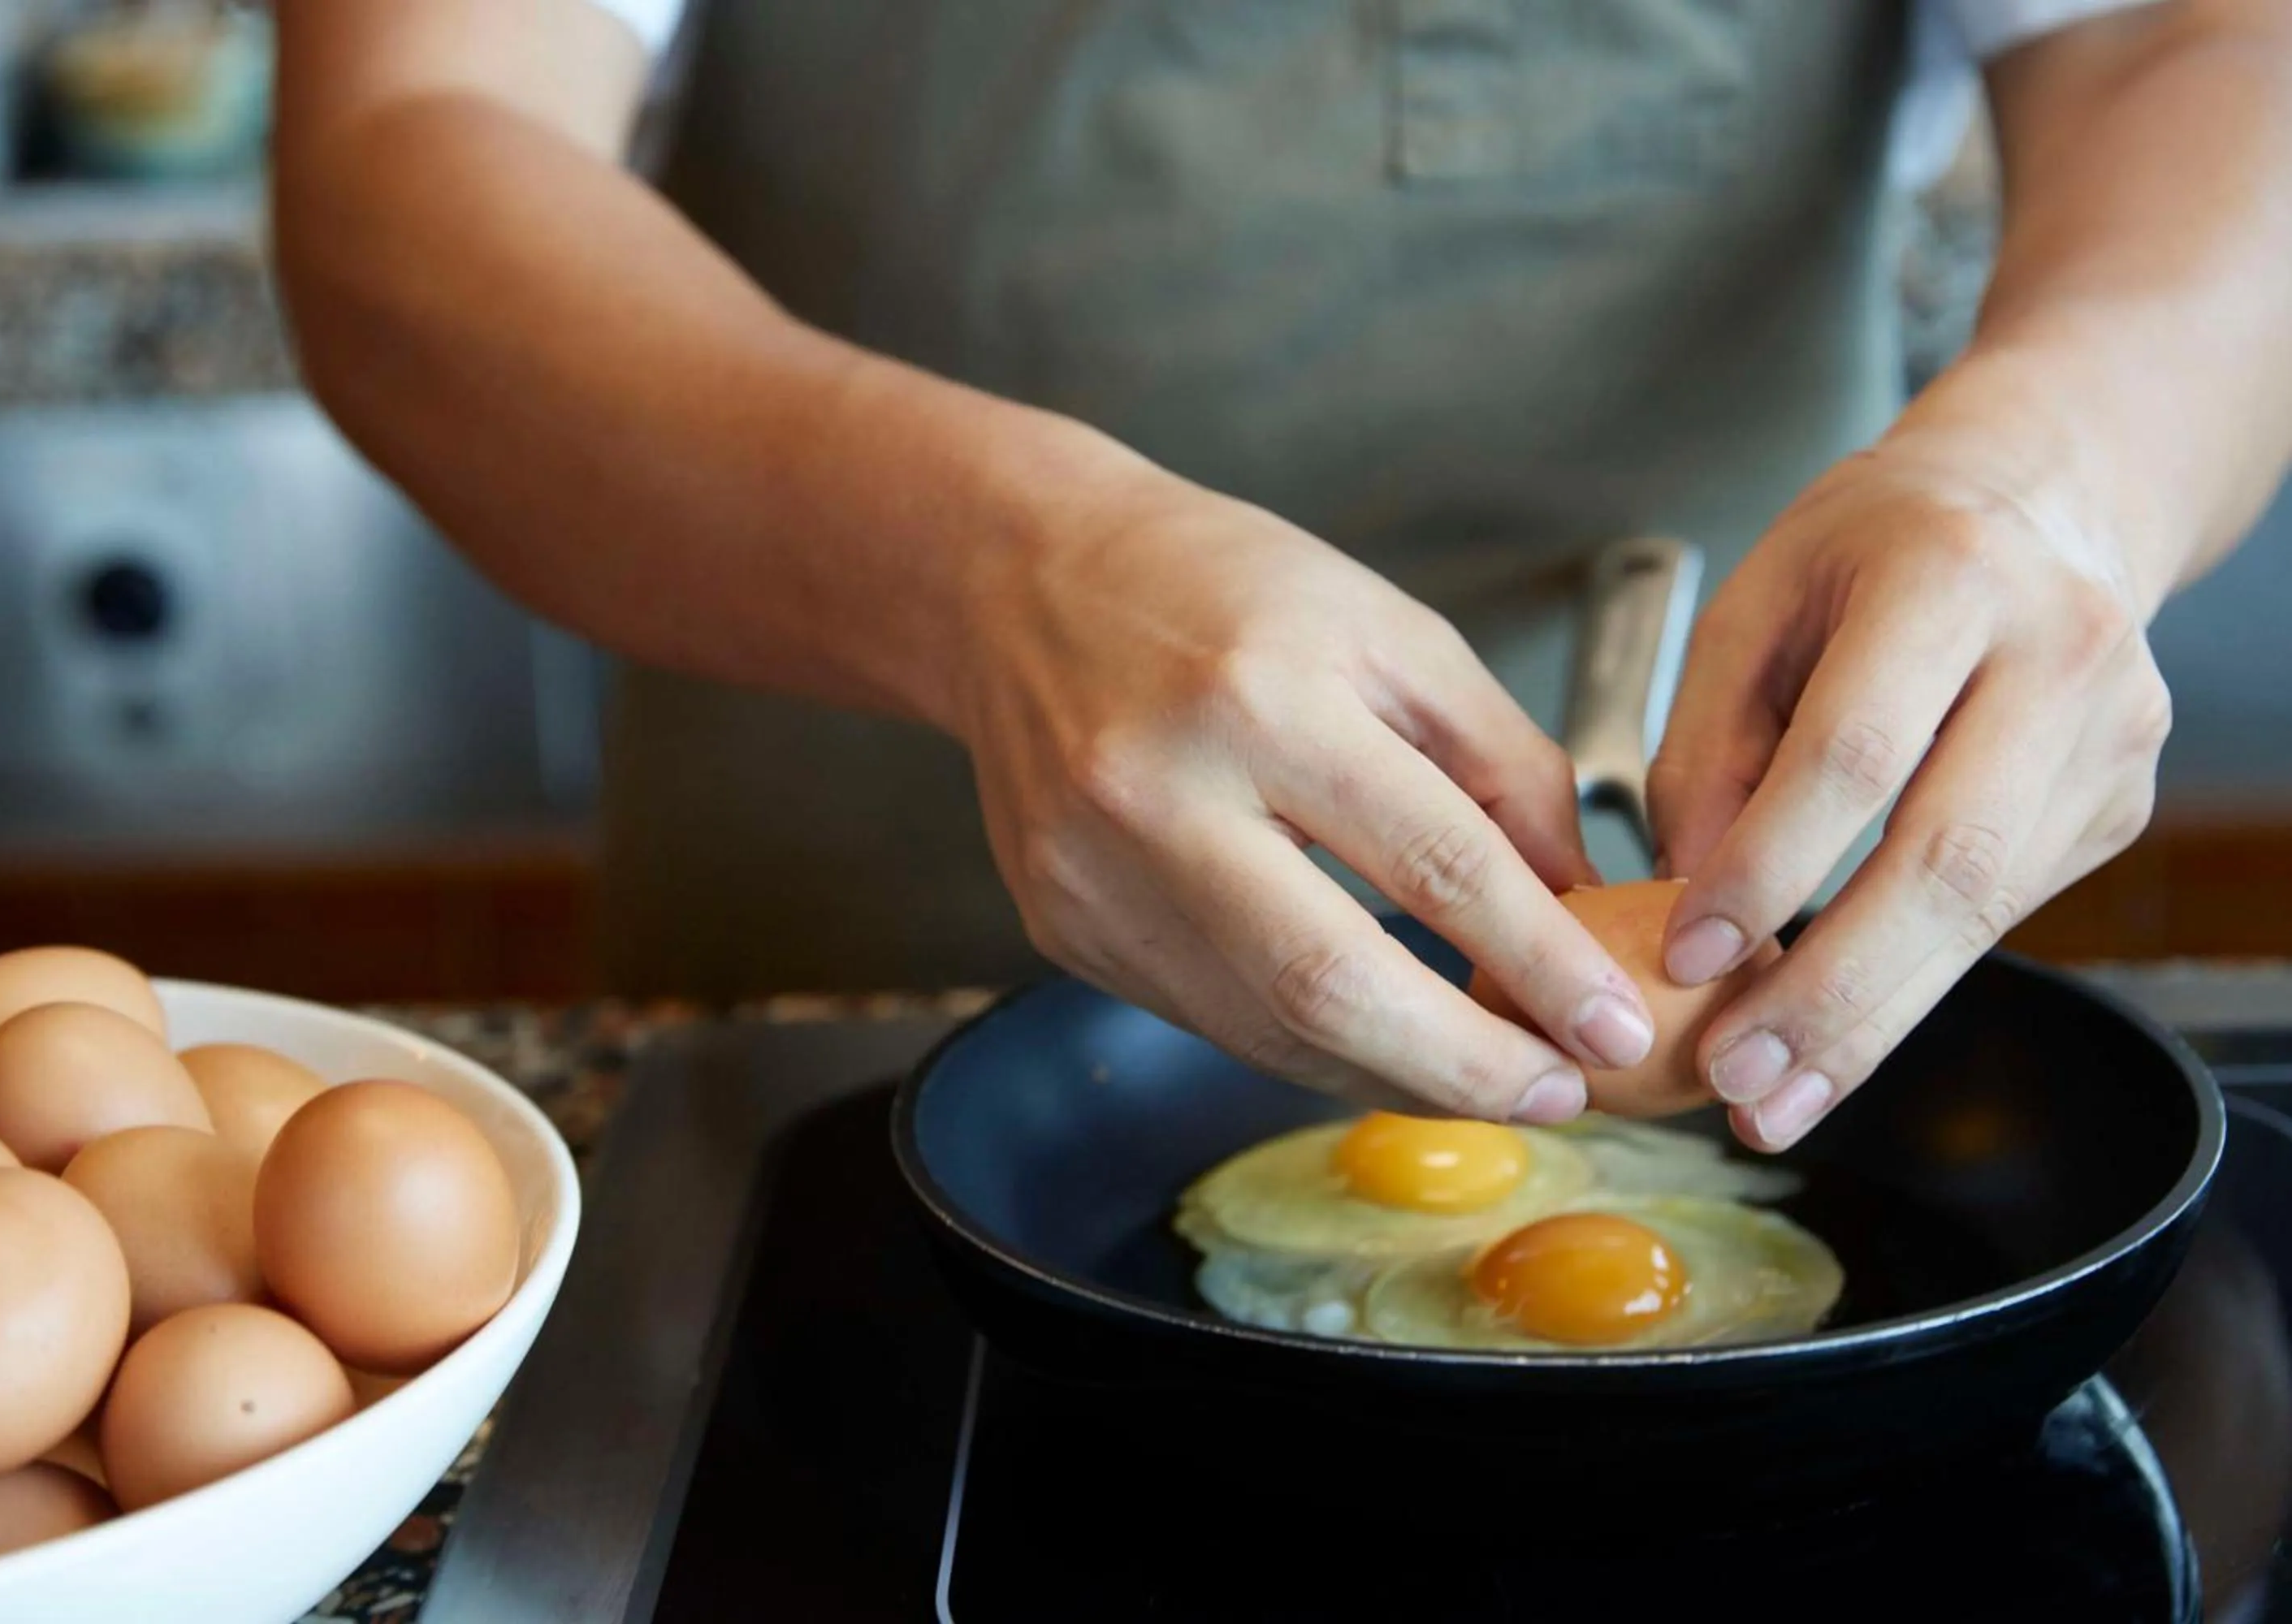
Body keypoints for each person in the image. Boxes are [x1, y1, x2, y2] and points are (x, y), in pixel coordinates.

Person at [270, 0, 2292, 1151]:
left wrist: (2063, 480)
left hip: (1767, 991)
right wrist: (988, 569)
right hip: (841, 1008)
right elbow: (410, 156)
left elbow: (2196, 44)